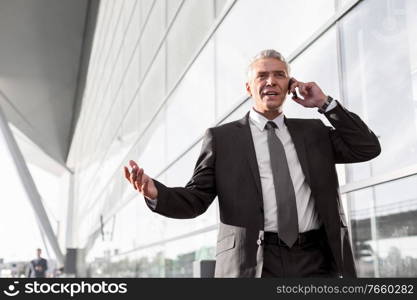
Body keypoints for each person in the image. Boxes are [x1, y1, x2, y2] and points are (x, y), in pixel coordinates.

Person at [123, 49, 381, 278]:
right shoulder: (222, 139)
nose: (271, 81)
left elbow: (366, 147)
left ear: (289, 85)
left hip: (315, 260)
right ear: (249, 87)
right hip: (252, 263)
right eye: (262, 76)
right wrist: (156, 192)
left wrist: (324, 103)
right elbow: (196, 199)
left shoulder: (313, 131)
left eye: (279, 75)